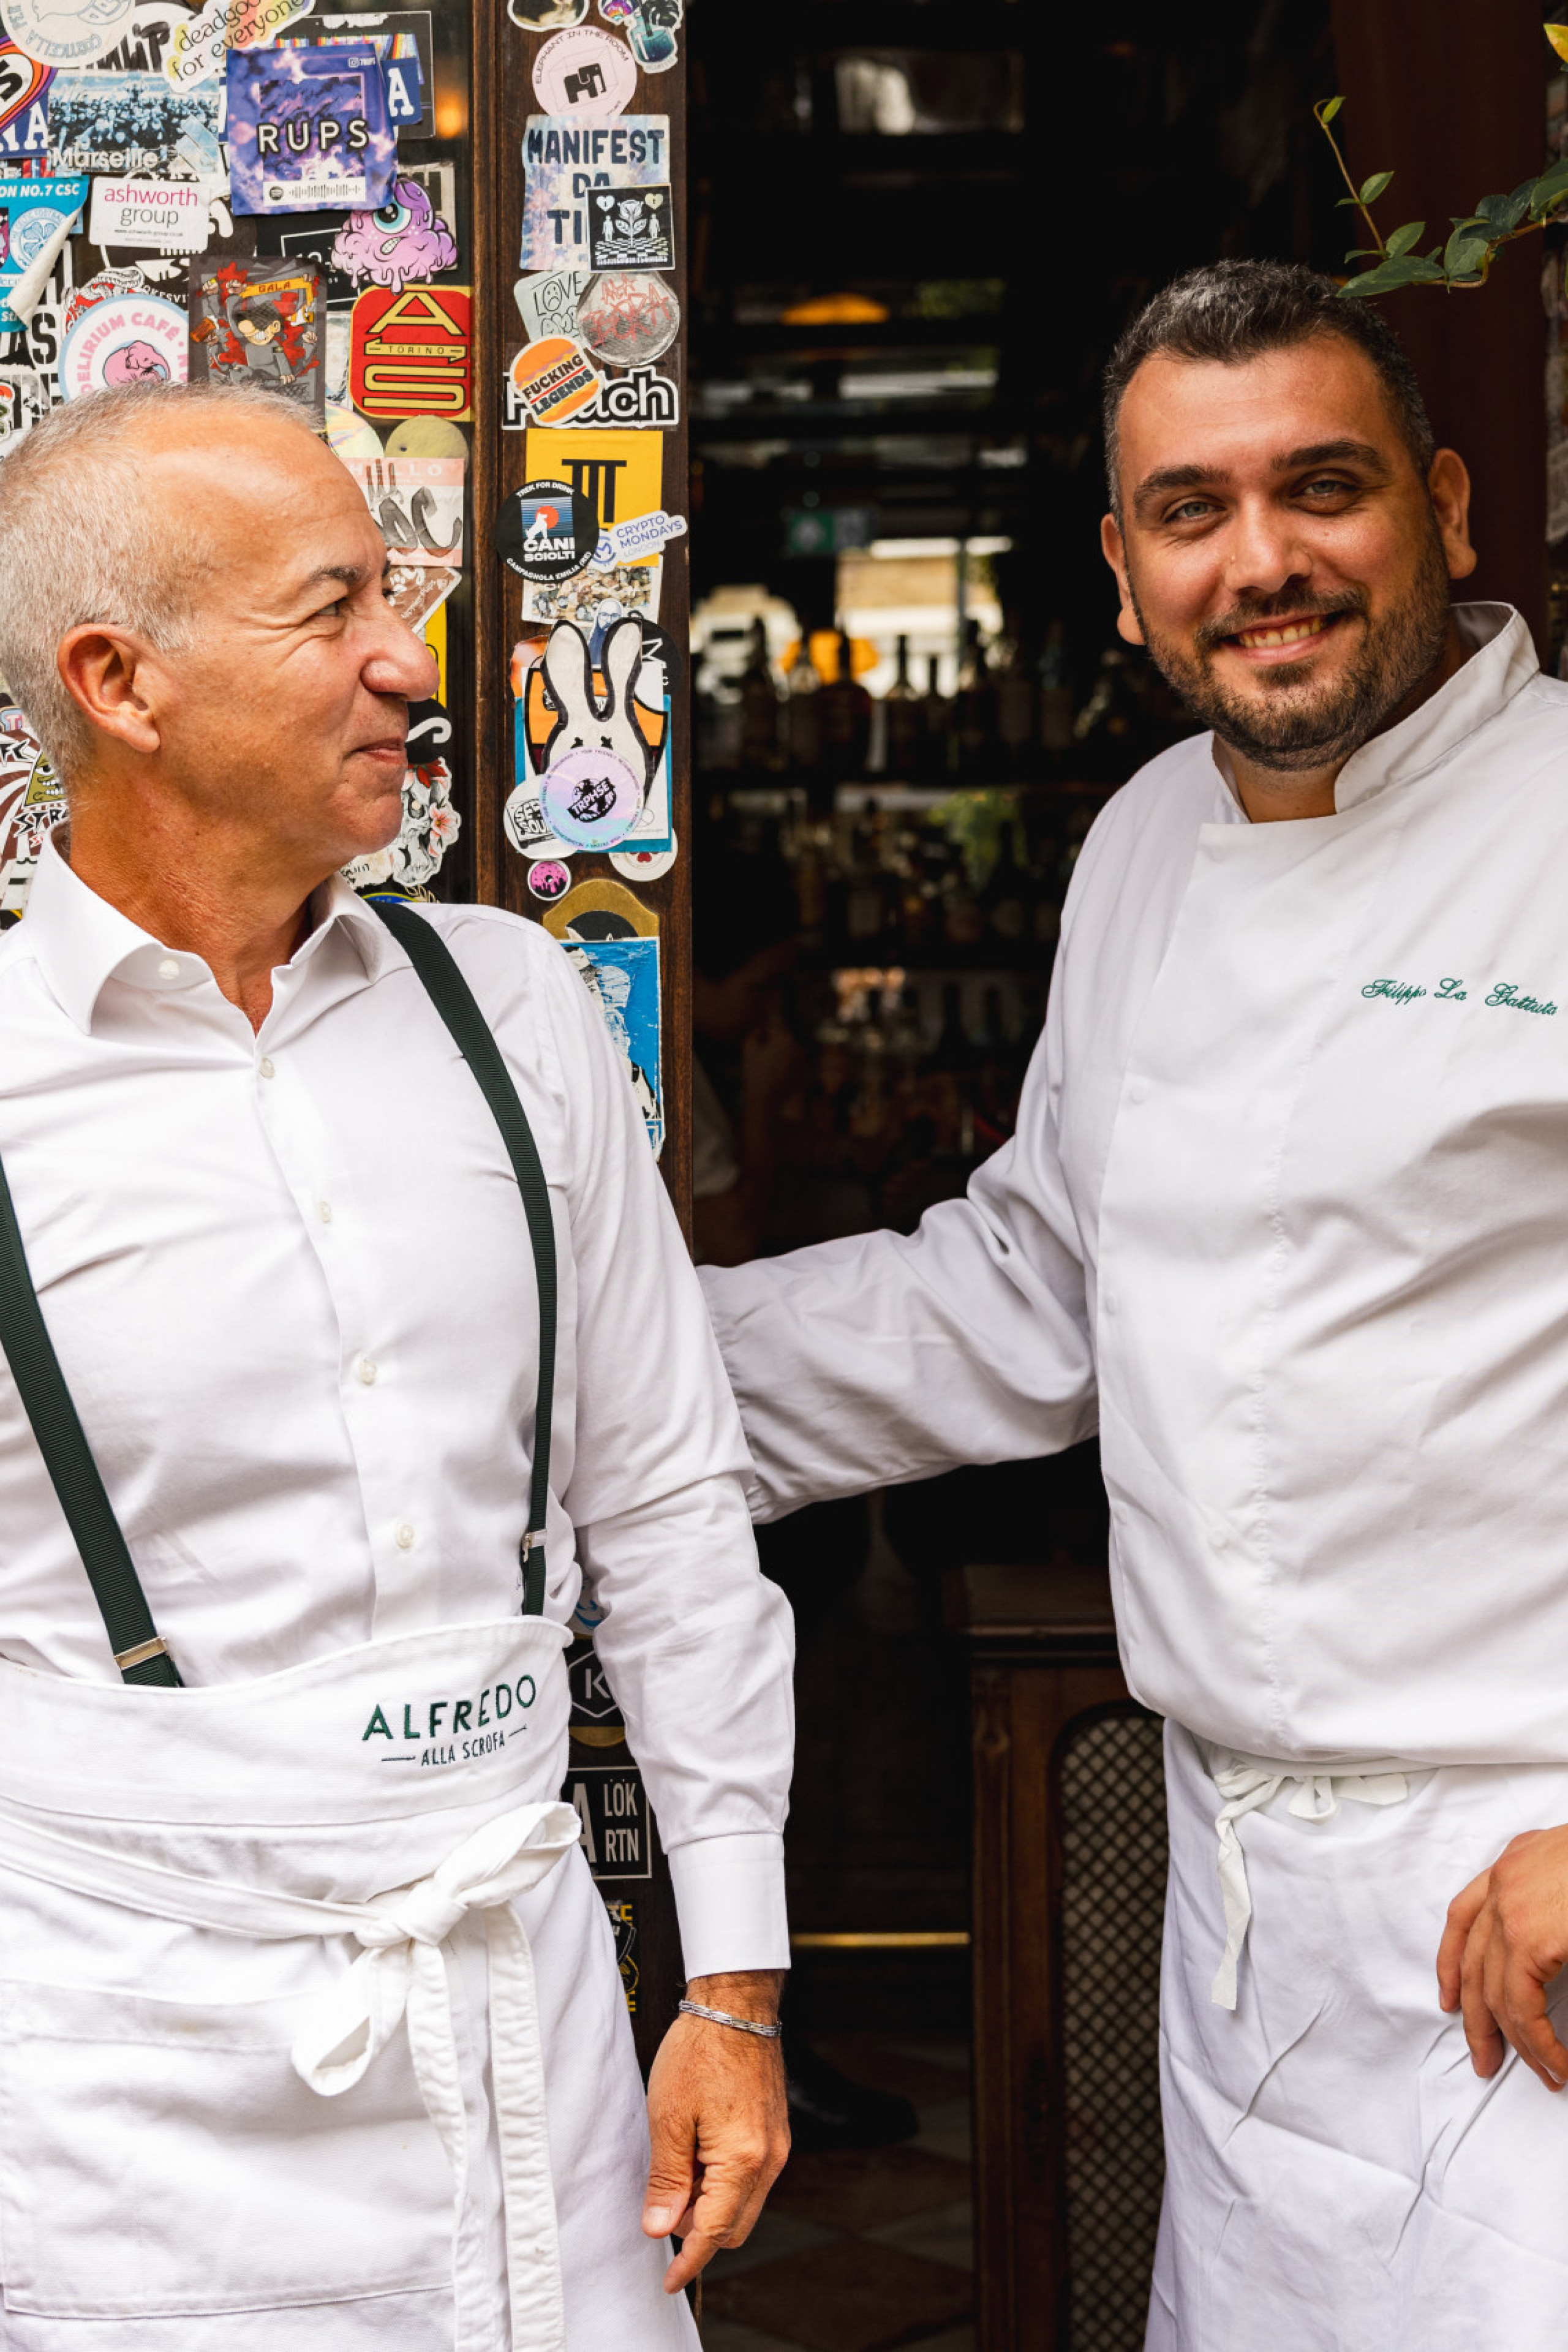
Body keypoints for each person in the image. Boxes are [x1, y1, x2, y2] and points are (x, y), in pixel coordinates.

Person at [700, 257, 1568, 2349]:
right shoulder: (1148, 847)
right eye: (1193, 511)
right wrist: (577, 1381)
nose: (1261, 563)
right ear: (1121, 568)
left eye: (1324, 490)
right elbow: (1035, 1293)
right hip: (1241, 1896)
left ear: (1448, 502)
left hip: (1525, 1880)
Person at [0, 380, 793, 2348]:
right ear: (124, 679)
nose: (404, 664)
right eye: (330, 607)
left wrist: (735, 1987)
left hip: (525, 2006)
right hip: (110, 2068)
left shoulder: (511, 1009)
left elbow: (673, 1508)